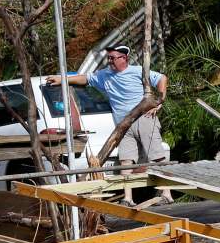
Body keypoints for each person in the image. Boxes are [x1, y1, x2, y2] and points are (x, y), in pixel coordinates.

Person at [46, 45, 171, 205]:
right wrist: (62, 79)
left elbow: (162, 78)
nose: (110, 61)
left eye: (113, 58)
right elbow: (86, 79)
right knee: (126, 160)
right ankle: (128, 198)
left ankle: (166, 193)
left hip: (144, 117)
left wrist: (159, 101)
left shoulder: (138, 71)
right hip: (123, 123)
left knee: (157, 156)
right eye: (109, 58)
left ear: (124, 58)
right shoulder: (105, 75)